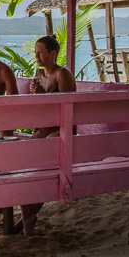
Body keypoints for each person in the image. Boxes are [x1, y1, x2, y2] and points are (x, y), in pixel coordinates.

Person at [19, 34, 78, 235]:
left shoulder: (63, 74)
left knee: (41, 163)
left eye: (41, 53)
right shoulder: (39, 74)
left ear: (53, 54)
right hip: (43, 129)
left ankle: (28, 215)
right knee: (20, 160)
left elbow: (67, 107)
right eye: (35, 52)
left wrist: (41, 95)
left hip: (61, 130)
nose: (37, 56)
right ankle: (26, 213)